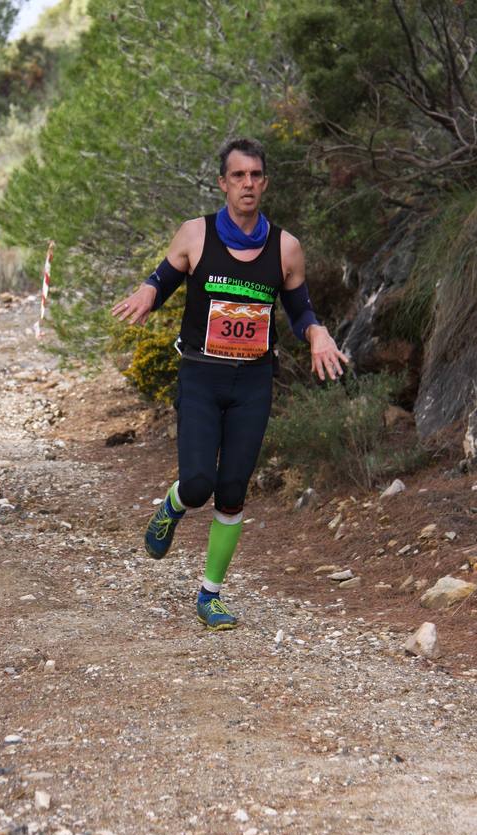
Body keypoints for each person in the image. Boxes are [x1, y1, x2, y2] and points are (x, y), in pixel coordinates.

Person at [112, 137, 347, 631]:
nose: (248, 184)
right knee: (199, 484)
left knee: (233, 490)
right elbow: (161, 280)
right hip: (200, 374)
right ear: (223, 183)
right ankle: (173, 506)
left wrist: (317, 331)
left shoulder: (286, 248)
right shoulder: (195, 236)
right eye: (238, 175)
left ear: (265, 182)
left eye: (255, 175)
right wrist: (146, 293)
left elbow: (300, 308)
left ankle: (210, 595)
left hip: (253, 381)